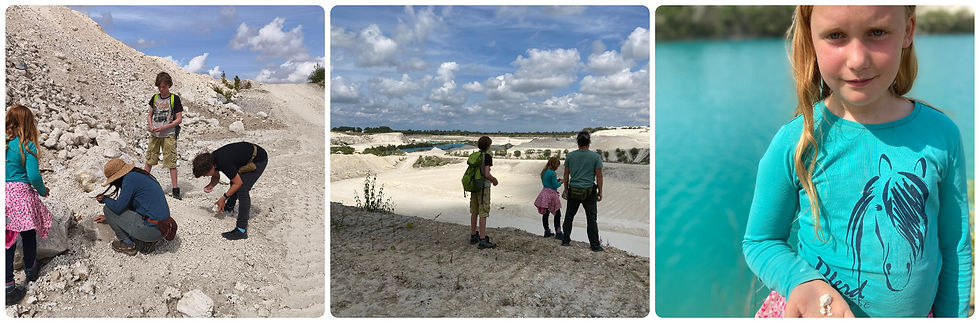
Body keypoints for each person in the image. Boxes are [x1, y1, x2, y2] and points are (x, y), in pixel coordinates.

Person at [742, 6, 970, 318]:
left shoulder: (941, 135)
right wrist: (800, 282)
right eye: (836, 35)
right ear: (810, 38)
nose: (858, 60)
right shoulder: (796, 142)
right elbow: (761, 241)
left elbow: (954, 247)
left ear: (908, 31)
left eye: (877, 32)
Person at [5, 104, 52, 305]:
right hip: (21, 196)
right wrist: (43, 191)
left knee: (8, 240)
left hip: (4, 194)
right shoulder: (28, 145)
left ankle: (7, 282)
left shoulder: (5, 144)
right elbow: (33, 175)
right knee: (28, 234)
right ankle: (31, 270)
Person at [95, 158, 172, 256]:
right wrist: (110, 218)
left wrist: (105, 199)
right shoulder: (139, 175)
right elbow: (131, 205)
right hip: (163, 227)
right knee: (112, 211)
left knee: (107, 209)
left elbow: (118, 208)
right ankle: (147, 241)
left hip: (153, 230)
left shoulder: (129, 179)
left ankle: (127, 244)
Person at [192, 142, 268, 240]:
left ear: (211, 167)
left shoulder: (224, 162)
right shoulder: (211, 160)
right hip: (244, 157)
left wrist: (223, 198)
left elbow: (238, 183)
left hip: (258, 158)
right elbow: (216, 176)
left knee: (242, 189)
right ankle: (229, 207)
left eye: (205, 174)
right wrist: (211, 185)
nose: (205, 176)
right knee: (234, 180)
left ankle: (241, 229)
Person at [560, 130, 603, 252]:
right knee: (591, 219)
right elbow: (599, 176)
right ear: (589, 142)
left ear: (578, 142)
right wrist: (600, 191)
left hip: (573, 190)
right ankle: (595, 245)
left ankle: (565, 240)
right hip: (589, 192)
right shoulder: (596, 157)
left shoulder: (570, 156)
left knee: (569, 216)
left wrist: (566, 189)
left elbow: (566, 174)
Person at [144, 72, 184, 200]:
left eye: (164, 87)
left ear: (169, 85)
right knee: (149, 159)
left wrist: (164, 127)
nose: (161, 89)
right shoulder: (155, 98)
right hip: (155, 134)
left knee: (171, 161)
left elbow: (178, 119)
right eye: (159, 87)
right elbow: (149, 115)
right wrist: (151, 125)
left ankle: (175, 189)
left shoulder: (174, 99)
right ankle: (142, 185)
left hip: (168, 135)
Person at [468, 136, 498, 249]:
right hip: (483, 187)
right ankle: (482, 239)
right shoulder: (487, 157)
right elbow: (486, 174)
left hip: (474, 186)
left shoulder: (475, 156)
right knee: (483, 212)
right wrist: (494, 180)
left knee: (474, 211)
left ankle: (473, 234)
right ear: (488, 146)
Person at [533, 157, 563, 239]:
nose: (557, 167)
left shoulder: (544, 171)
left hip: (544, 193)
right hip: (552, 195)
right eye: (557, 165)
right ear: (554, 165)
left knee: (545, 214)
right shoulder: (553, 173)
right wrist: (560, 182)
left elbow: (548, 183)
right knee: (557, 214)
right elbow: (555, 185)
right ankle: (558, 232)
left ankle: (547, 231)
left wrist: (556, 181)